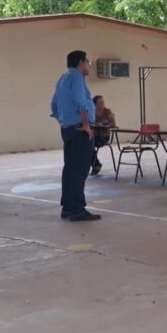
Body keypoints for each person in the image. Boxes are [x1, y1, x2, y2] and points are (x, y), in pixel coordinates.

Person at [51, 50, 101, 222]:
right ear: (80, 62)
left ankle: (68, 207)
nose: (88, 65)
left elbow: (54, 105)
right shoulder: (77, 78)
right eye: (87, 61)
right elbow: (81, 103)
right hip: (79, 129)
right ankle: (77, 209)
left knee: (70, 169)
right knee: (79, 171)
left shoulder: (62, 79)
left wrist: (64, 121)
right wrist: (86, 125)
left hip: (68, 129)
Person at [90, 95, 116, 176]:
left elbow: (114, 124)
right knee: (85, 144)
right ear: (95, 104)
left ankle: (96, 165)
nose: (103, 103)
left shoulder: (107, 111)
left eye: (103, 101)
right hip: (94, 135)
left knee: (88, 144)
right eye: (100, 102)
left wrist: (106, 123)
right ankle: (96, 164)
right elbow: (90, 123)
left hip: (104, 136)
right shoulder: (92, 112)